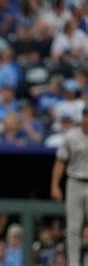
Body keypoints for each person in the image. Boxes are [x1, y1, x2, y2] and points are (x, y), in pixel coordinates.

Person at [51, 105, 88, 266]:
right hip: (75, 182)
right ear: (83, 118)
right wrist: (55, 185)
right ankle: (74, 264)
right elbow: (60, 162)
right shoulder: (72, 136)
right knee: (73, 228)